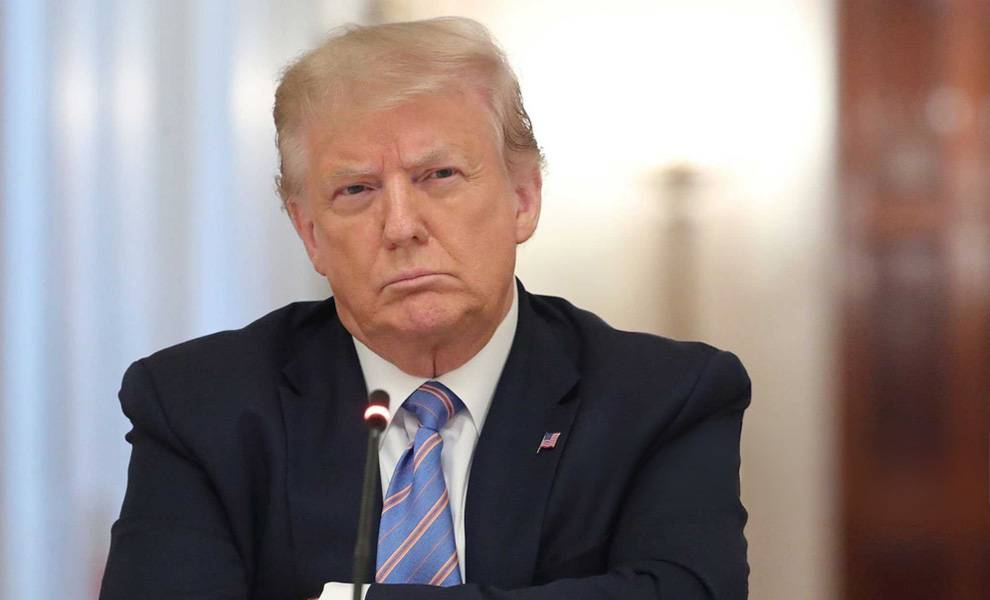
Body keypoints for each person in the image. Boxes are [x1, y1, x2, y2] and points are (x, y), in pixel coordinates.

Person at [99, 16, 751, 600]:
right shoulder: (197, 406)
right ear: (310, 232)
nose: (401, 226)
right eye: (356, 190)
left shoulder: (663, 398)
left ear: (523, 198)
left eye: (438, 176)